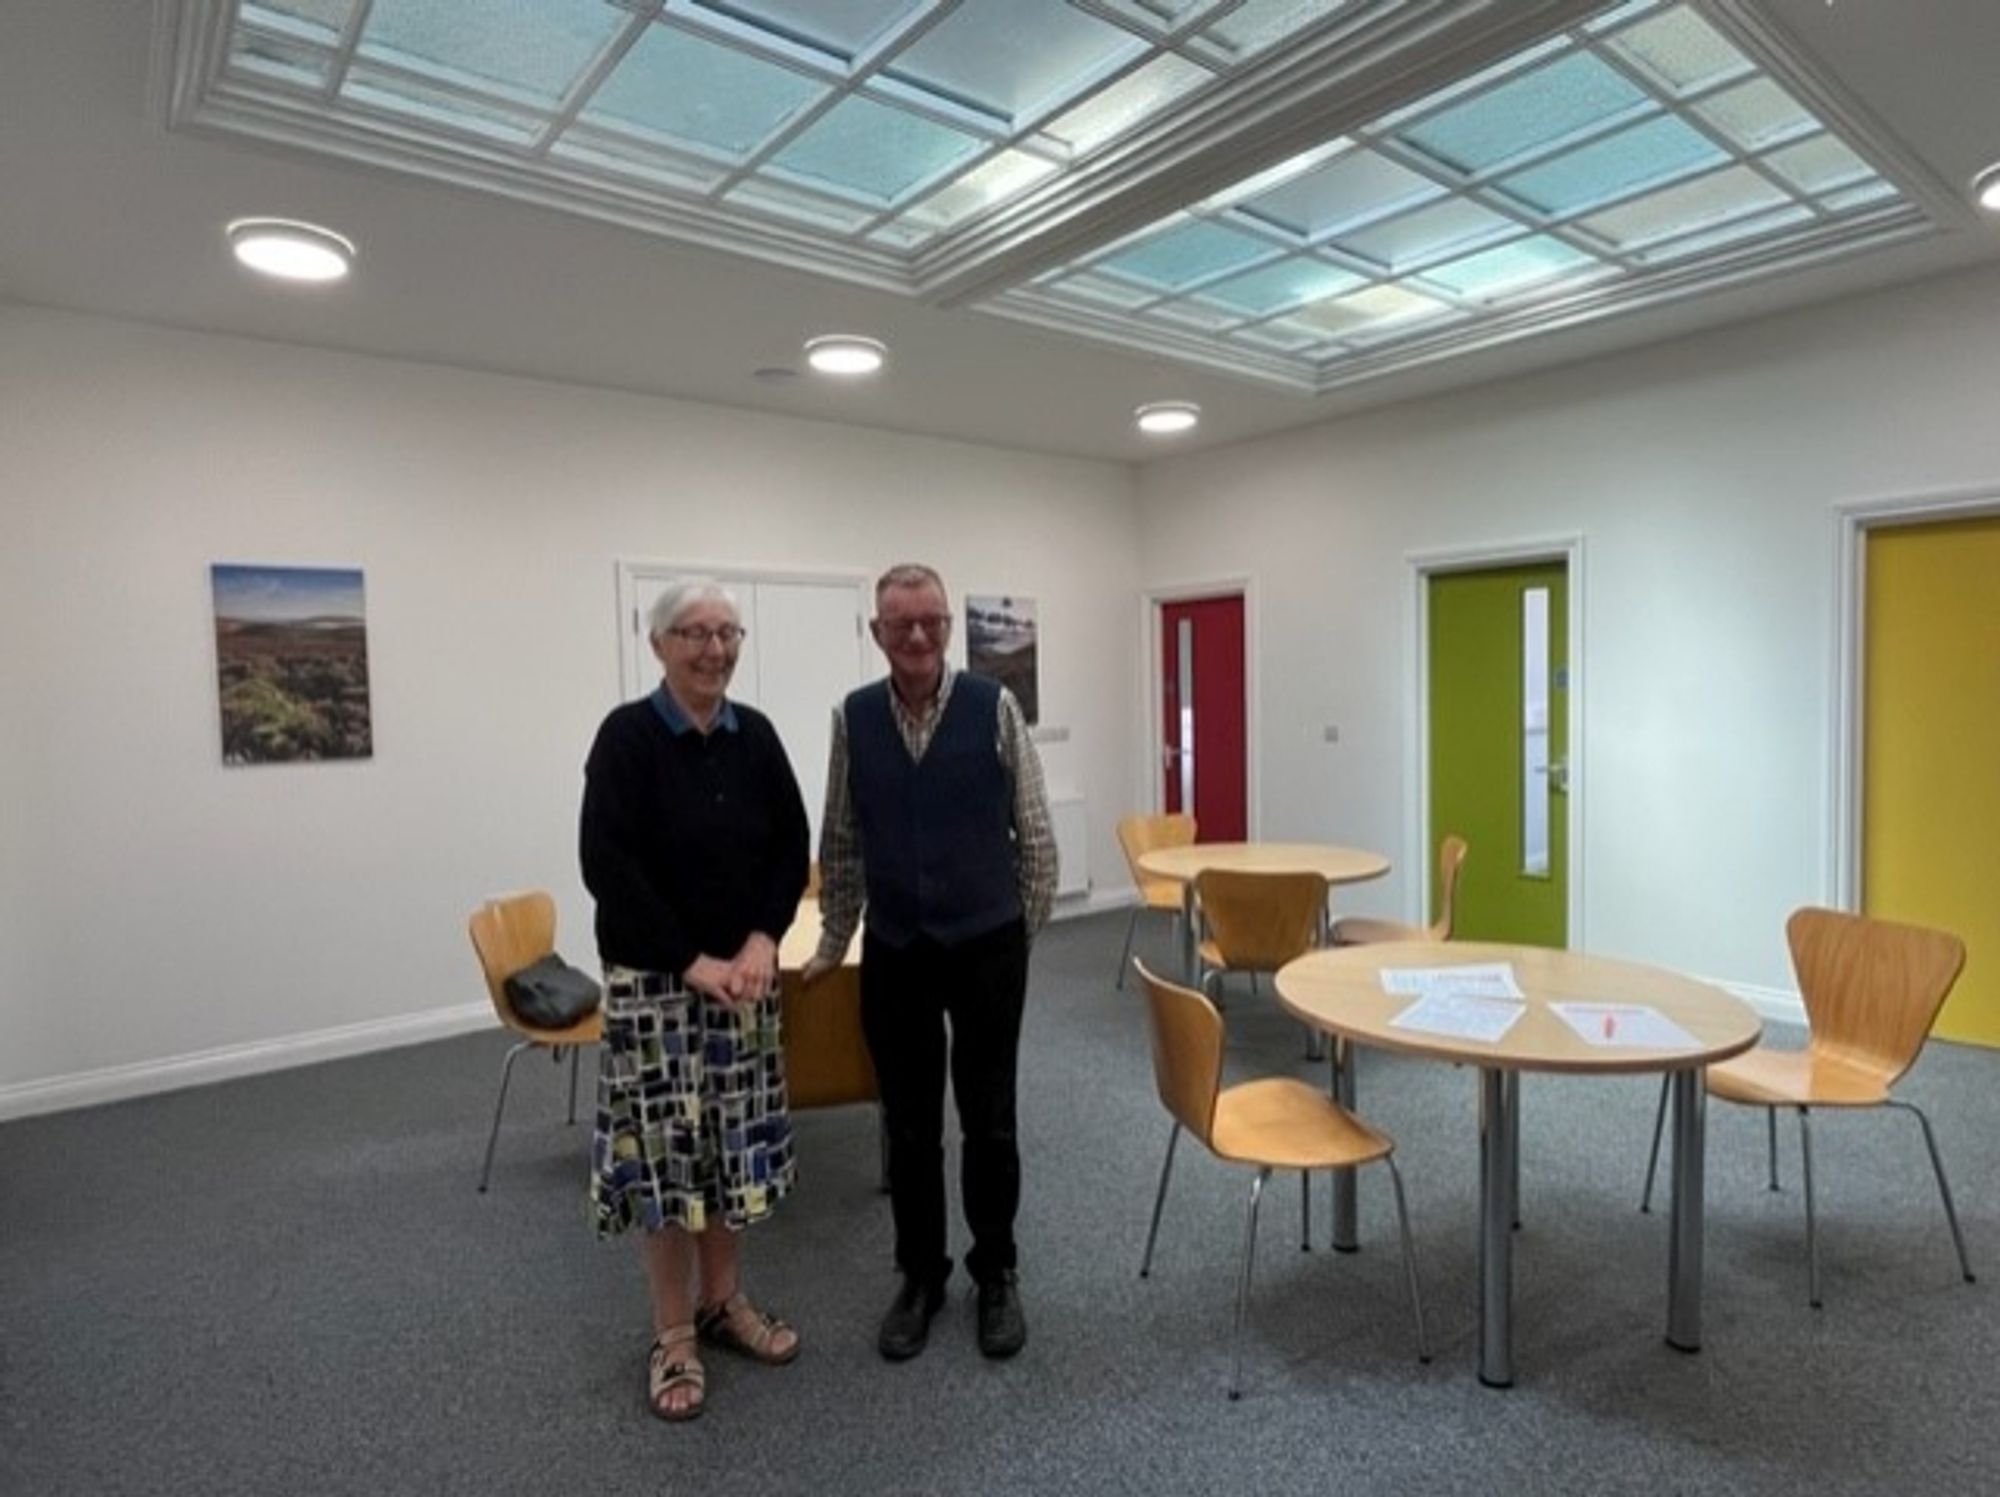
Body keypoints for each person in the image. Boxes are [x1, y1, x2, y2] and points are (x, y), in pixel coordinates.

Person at [802, 563, 1057, 1362]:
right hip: (898, 951)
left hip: (986, 945)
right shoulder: (853, 719)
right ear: (877, 631)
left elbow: (1035, 831)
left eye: (931, 621)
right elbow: (840, 839)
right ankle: (921, 1274)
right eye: (900, 622)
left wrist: (1020, 928)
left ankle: (996, 1272)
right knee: (909, 1128)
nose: (917, 635)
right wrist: (834, 943)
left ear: (947, 626)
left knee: (991, 1121)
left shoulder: (994, 707)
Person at [580, 577, 811, 1422]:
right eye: (694, 633)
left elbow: (792, 846)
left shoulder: (758, 738)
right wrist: (689, 959)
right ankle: (674, 1331)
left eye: (727, 632)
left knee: (730, 1160)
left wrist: (761, 939)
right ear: (658, 645)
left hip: (744, 984)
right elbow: (608, 864)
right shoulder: (626, 738)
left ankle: (725, 1302)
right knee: (665, 1170)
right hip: (657, 989)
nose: (714, 649)